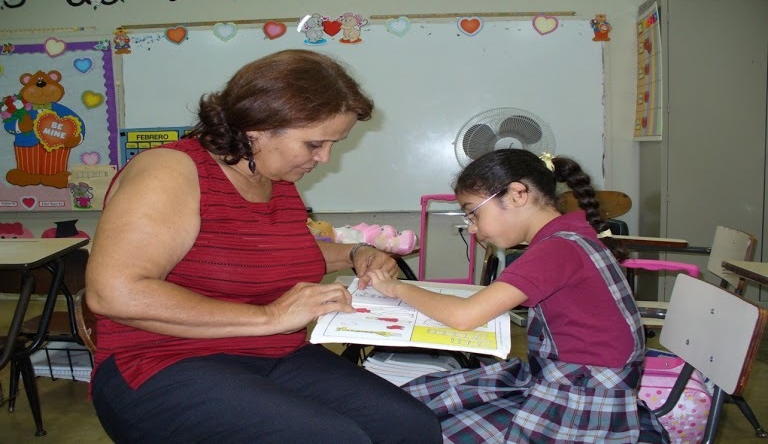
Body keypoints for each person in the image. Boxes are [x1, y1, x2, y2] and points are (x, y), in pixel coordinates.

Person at [85, 49, 441, 443]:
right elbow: (114, 293)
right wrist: (271, 317)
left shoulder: (276, 180)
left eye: (333, 143)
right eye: (314, 144)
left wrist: (355, 253)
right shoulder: (169, 171)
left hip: (271, 353)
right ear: (257, 128)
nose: (324, 158)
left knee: (411, 426)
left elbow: (268, 255)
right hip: (160, 361)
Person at [366, 149, 670, 443]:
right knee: (422, 402)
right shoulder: (570, 235)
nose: (472, 229)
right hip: (568, 381)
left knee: (418, 423)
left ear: (516, 194)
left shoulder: (556, 249)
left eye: (473, 213)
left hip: (582, 400)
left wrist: (396, 287)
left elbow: (464, 316)